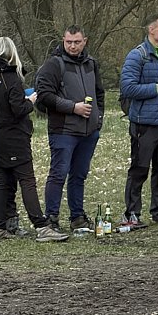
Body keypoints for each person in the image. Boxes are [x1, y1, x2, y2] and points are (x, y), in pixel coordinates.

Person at [0, 36, 68, 242]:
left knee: (1, 179)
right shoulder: (12, 78)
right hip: (14, 136)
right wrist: (30, 101)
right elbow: (19, 109)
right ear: (11, 54)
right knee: (27, 180)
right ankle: (41, 226)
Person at [36, 25, 105, 232]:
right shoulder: (54, 65)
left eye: (76, 42)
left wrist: (97, 119)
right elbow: (44, 96)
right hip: (63, 131)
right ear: (63, 41)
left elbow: (99, 94)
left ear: (85, 41)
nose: (72, 46)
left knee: (79, 175)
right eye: (68, 42)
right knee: (58, 174)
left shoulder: (91, 64)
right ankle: (51, 218)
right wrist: (72, 107)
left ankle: (77, 216)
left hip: (88, 132)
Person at [120, 15, 158, 226]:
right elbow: (127, 88)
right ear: (151, 30)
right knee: (139, 168)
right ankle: (132, 212)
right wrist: (157, 87)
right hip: (144, 123)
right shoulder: (137, 56)